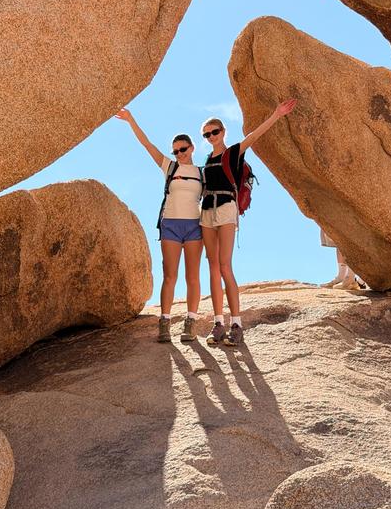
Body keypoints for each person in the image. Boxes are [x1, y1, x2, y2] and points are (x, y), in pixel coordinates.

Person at [201, 99, 297, 346]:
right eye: (207, 134)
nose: (211, 137)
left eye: (215, 132)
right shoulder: (206, 161)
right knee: (212, 268)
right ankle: (218, 324)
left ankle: (236, 324)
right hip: (206, 212)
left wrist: (276, 115)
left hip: (225, 209)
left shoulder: (233, 152)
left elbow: (254, 136)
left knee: (224, 266)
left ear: (223, 132)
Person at [115, 108, 204, 343]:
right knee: (170, 276)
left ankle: (190, 323)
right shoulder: (169, 167)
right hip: (170, 225)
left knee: (192, 276)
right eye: (175, 151)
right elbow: (147, 145)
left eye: (183, 150)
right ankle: (164, 322)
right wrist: (131, 120)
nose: (179, 154)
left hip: (195, 226)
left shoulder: (202, 173)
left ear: (192, 148)